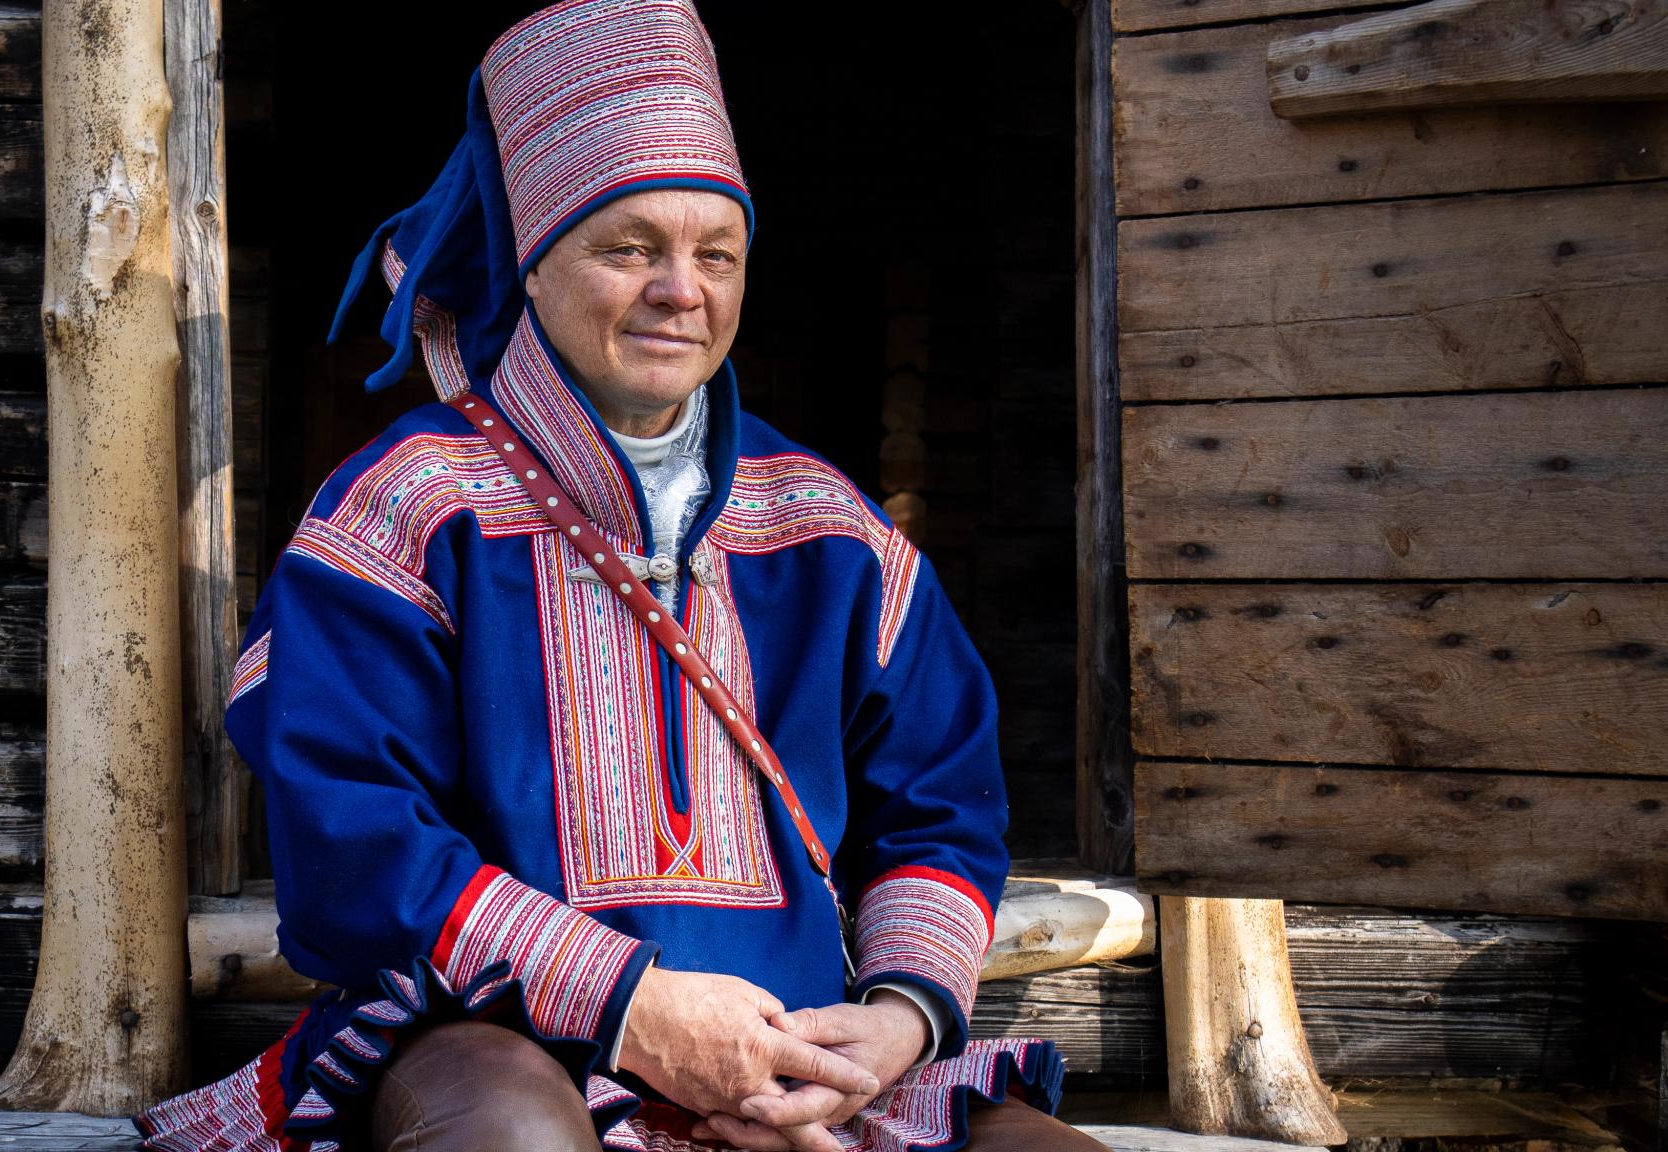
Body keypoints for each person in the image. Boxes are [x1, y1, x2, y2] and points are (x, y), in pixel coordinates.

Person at [137, 2, 1104, 1150]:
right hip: (498, 1046)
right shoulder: (401, 509)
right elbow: (350, 838)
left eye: (715, 255)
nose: (678, 290)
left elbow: (942, 809)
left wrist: (883, 1029)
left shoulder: (832, 530)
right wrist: (633, 1009)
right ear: (534, 269)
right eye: (629, 247)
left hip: (804, 1058)